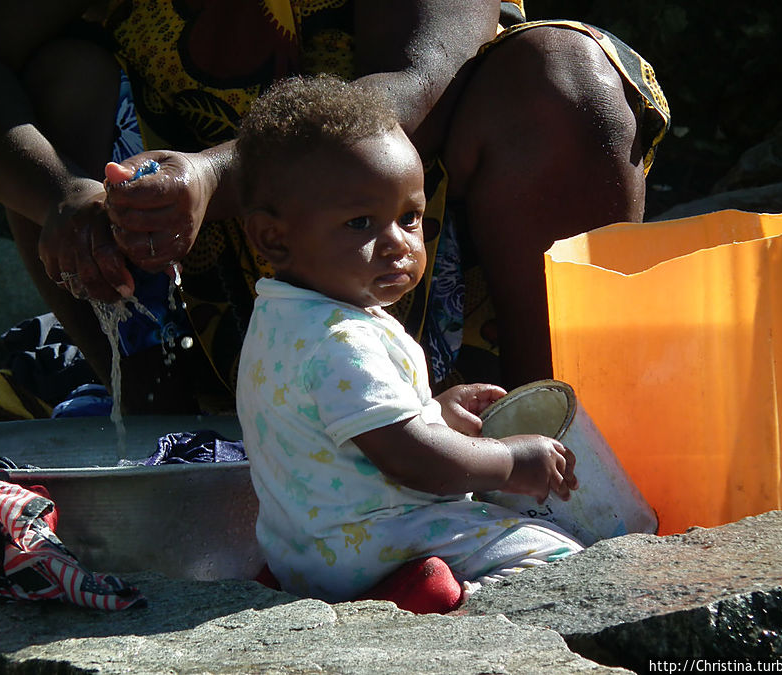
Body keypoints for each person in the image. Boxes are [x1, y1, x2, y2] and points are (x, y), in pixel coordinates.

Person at [0, 1, 670, 417]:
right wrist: (66, 195)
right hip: (212, 327)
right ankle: (161, 425)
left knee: (568, 81)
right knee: (48, 86)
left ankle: (547, 430)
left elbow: (421, 79)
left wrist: (215, 178)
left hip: (425, 295)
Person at [235, 74, 582, 602]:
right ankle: (423, 595)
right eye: (360, 224)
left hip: (305, 552)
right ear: (272, 237)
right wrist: (511, 461)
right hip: (376, 546)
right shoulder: (340, 339)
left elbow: (352, 434)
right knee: (558, 552)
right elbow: (414, 463)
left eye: (410, 217)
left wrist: (433, 413)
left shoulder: (284, 317)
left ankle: (414, 585)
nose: (397, 244)